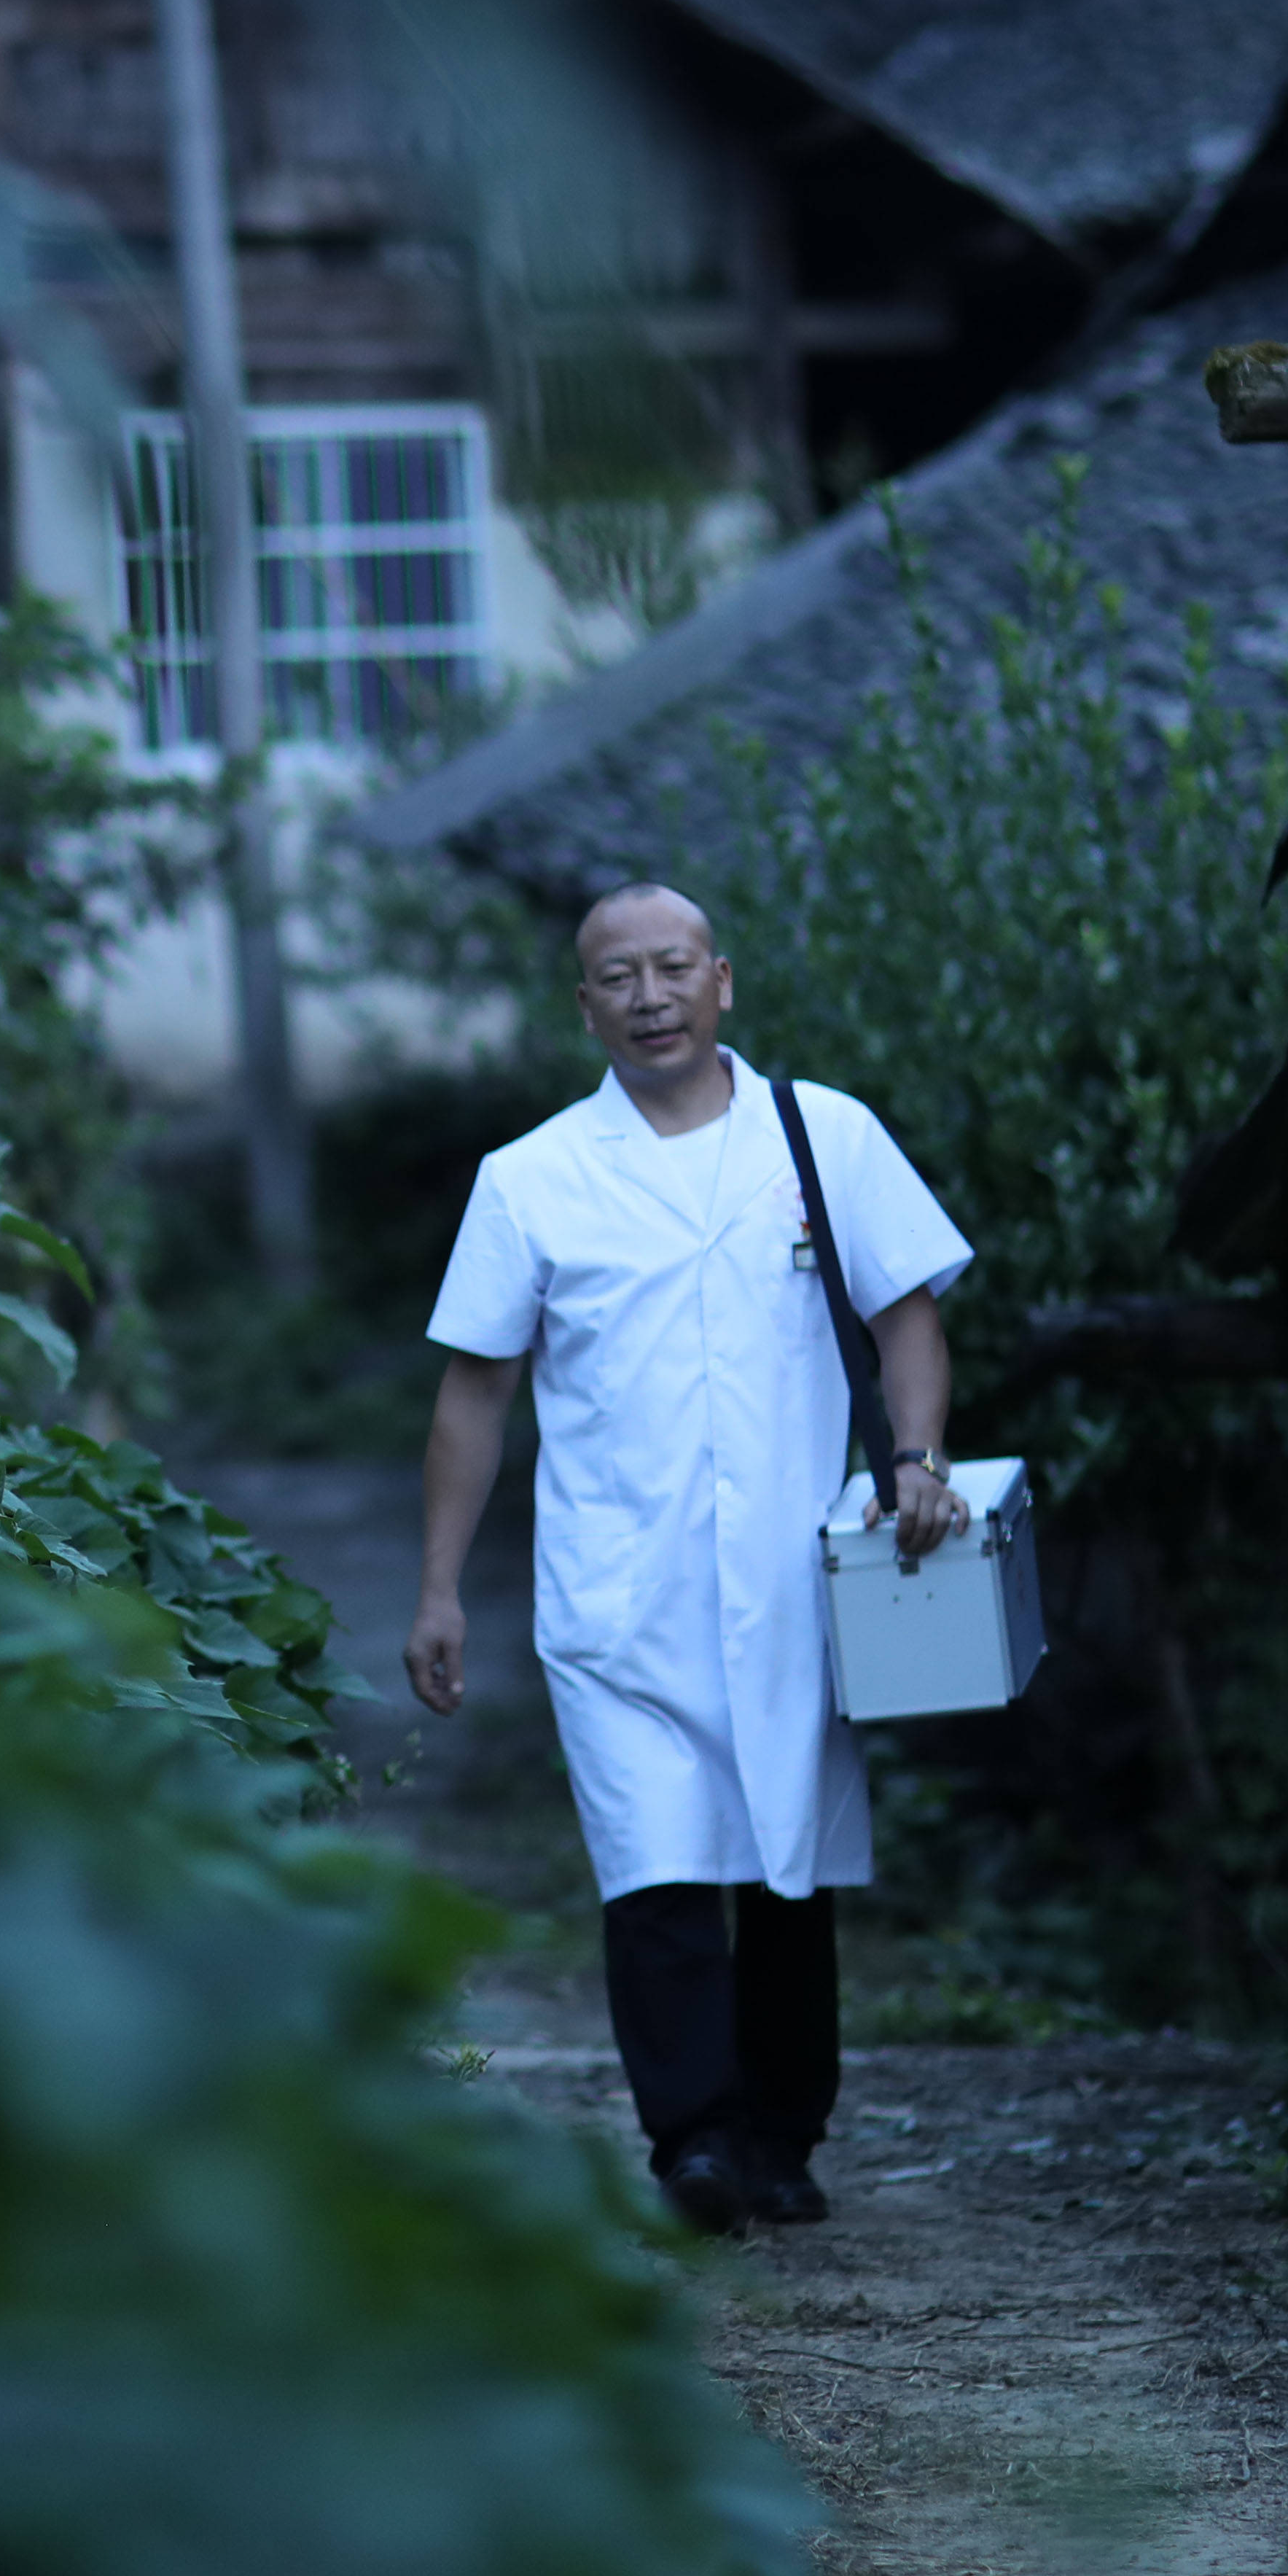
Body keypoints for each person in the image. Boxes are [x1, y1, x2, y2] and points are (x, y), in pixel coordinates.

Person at [406, 882, 969, 2236]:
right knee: (654, 1862)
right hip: (617, 1585)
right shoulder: (532, 1178)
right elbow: (473, 1394)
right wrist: (437, 1584)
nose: (649, 997)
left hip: (794, 1579)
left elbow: (905, 1317)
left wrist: (918, 1459)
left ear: (723, 980)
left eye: (672, 970)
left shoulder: (819, 1135)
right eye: (618, 977)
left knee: (788, 1858)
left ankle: (784, 2133)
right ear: (584, 1004)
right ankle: (697, 2143)